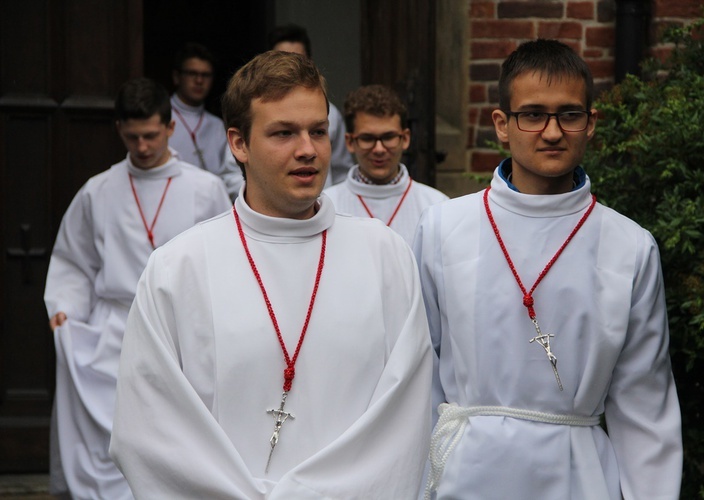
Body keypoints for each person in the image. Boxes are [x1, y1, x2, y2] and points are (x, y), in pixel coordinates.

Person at [109, 51, 432, 499]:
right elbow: (149, 426)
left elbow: (405, 417)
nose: (307, 149)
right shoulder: (178, 268)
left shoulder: (385, 256)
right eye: (283, 132)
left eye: (318, 131)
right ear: (238, 143)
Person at [415, 39, 683, 499]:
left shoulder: (629, 247)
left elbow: (644, 404)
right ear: (502, 123)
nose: (553, 132)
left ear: (591, 123)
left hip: (577, 475)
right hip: (465, 472)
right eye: (533, 114)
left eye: (570, 114)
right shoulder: (443, 228)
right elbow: (422, 378)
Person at [43, 77, 230, 499]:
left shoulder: (206, 189)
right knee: (106, 431)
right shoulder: (99, 190)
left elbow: (224, 259)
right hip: (114, 327)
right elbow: (75, 260)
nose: (142, 147)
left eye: (150, 135)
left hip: (181, 327)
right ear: (119, 132)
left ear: (169, 128)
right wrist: (65, 307)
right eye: (132, 137)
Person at [324, 84, 448, 245]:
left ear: (405, 138)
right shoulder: (326, 205)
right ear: (350, 142)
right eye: (367, 139)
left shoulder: (436, 205)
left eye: (388, 137)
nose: (379, 149)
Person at [268, 23, 352, 187]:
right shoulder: (254, 110)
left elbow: (341, 171)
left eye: (318, 132)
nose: (290, 66)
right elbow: (234, 173)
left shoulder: (330, 114)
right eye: (283, 133)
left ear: (310, 61)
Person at [171, 41, 244, 199]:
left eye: (205, 75)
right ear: (177, 77)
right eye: (192, 73)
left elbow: (229, 174)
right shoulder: (162, 118)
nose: (199, 81)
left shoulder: (217, 125)